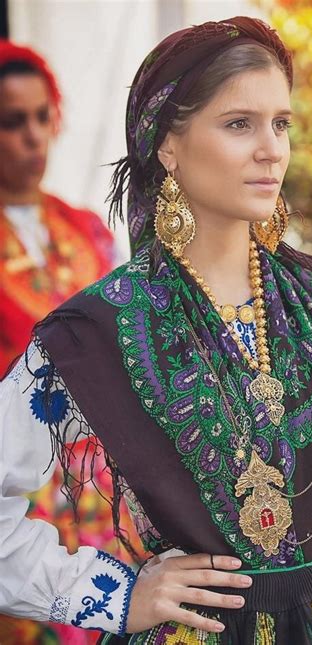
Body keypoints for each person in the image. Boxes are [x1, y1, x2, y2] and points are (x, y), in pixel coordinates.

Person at [0, 17, 312, 644]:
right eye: (238, 124)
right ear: (167, 144)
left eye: (281, 124)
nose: (271, 148)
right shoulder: (98, 329)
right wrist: (113, 596)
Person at [0, 41, 142, 644]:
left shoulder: (87, 230)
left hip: (103, 486)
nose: (33, 136)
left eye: (42, 116)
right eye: (11, 121)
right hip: (14, 483)